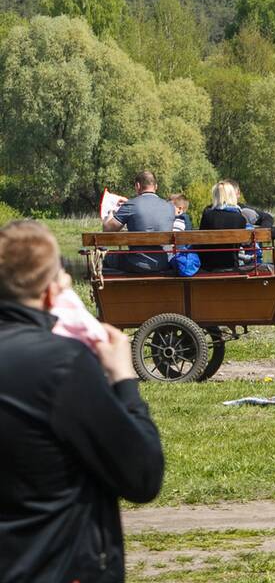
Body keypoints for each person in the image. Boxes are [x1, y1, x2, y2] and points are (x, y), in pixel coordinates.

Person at [0, 220, 164, 581]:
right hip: (51, 563)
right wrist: (123, 380)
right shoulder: (62, 366)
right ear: (49, 295)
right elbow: (141, 475)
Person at [102, 170, 178, 273]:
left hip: (137, 263)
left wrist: (110, 211)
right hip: (164, 263)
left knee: (107, 257)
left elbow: (107, 230)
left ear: (138, 186)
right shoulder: (170, 207)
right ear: (156, 186)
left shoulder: (131, 205)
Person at [198, 181, 251, 270]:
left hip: (208, 266)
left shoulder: (207, 214)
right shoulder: (240, 218)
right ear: (232, 195)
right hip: (231, 265)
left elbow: (200, 240)